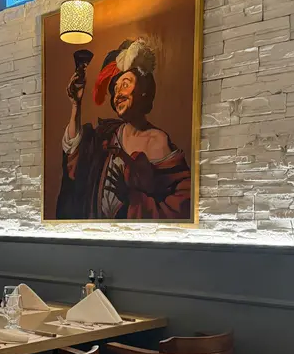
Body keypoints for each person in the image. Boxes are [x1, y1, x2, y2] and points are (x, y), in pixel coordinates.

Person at [56, 38, 192, 220]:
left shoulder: (158, 141)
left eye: (125, 84)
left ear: (143, 89)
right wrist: (76, 105)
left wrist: (132, 199)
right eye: (115, 89)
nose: (118, 93)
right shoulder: (107, 135)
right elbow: (74, 154)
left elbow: (182, 205)